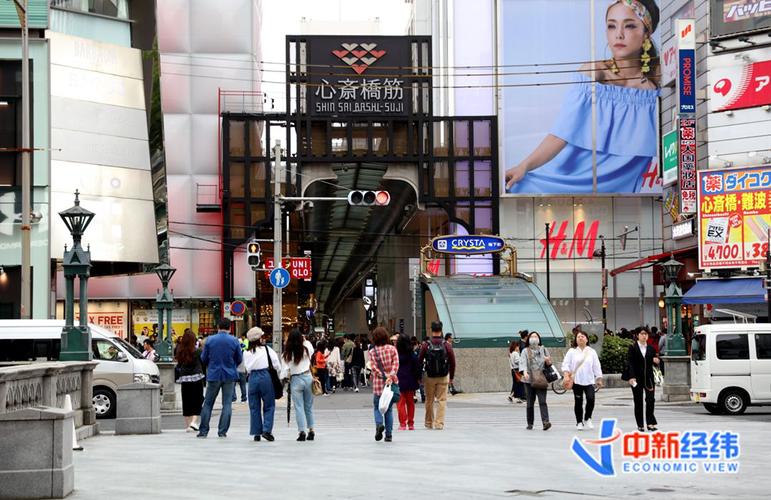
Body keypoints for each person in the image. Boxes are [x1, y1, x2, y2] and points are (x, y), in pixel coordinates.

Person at [505, 0, 660, 194]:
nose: (618, 34)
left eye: (629, 25)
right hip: (571, 177)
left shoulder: (658, 84)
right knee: (522, 190)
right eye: (611, 26)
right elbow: (561, 133)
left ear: (647, 32)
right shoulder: (594, 73)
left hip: (624, 189)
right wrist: (524, 166)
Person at [197, 318, 242, 438]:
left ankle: (203, 431)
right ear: (230, 328)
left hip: (213, 374)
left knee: (208, 403)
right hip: (229, 374)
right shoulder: (234, 340)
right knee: (227, 404)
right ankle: (222, 431)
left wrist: (210, 365)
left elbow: (203, 358)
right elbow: (239, 358)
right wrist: (232, 366)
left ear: (218, 327)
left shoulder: (210, 340)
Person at [243, 327, 281, 442]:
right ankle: (267, 430)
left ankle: (256, 432)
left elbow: (246, 368)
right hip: (265, 376)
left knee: (254, 406)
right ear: (259, 338)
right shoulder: (267, 350)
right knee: (269, 405)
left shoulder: (246, 352)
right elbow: (277, 365)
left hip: (252, 378)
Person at [561, 331, 603, 430]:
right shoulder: (572, 351)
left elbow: (596, 366)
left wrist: (599, 378)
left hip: (589, 381)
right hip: (576, 381)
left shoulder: (592, 351)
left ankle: (588, 418)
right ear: (576, 339)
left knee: (591, 399)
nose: (580, 338)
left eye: (582, 336)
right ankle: (579, 422)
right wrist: (566, 375)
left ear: (587, 339)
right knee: (578, 401)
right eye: (578, 337)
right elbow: (566, 364)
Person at [418, 321, 456, 430]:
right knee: (442, 400)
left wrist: (419, 377)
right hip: (443, 376)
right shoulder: (446, 345)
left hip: (429, 376)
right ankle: (439, 423)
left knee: (429, 400)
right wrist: (451, 376)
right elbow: (453, 362)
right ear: (441, 329)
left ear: (431, 329)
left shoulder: (426, 345)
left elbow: (419, 361)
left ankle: (429, 422)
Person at [281, 328, 316, 441]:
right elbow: (311, 349)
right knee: (309, 406)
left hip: (295, 379)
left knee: (299, 407)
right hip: (308, 377)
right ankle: (311, 430)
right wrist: (304, 340)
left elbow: (284, 372)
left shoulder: (286, 354)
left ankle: (302, 432)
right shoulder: (306, 349)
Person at [623, 328, 660, 432]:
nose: (644, 336)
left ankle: (650, 422)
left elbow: (655, 361)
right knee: (638, 401)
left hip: (648, 378)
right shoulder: (633, 347)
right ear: (637, 335)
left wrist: (656, 361)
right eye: (642, 334)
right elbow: (630, 362)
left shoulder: (651, 348)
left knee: (650, 400)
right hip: (636, 378)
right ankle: (640, 424)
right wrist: (631, 376)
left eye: (646, 334)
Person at [369, 326, 399, 442]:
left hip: (378, 385)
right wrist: (390, 376)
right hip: (390, 385)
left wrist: (383, 375)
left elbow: (373, 368)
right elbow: (396, 365)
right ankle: (389, 435)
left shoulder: (372, 351)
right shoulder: (392, 349)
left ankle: (379, 424)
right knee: (389, 409)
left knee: (377, 407)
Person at [520, 331, 552, 431]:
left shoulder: (544, 349)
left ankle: (545, 422)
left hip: (541, 378)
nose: (534, 338)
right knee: (530, 402)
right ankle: (530, 423)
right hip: (529, 379)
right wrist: (525, 372)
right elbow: (523, 362)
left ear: (539, 339)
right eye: (532, 336)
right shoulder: (525, 350)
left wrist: (548, 360)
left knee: (542, 401)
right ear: (529, 339)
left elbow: (549, 363)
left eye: (536, 336)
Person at [175, 330, 205, 432]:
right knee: (198, 400)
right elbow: (204, 362)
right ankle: (194, 421)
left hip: (184, 378)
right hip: (197, 377)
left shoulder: (179, 351)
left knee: (186, 401)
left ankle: (188, 425)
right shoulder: (198, 351)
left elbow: (178, 365)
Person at [396, 334, 420, 430]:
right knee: (410, 403)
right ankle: (411, 423)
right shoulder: (412, 354)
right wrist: (418, 378)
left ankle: (402, 423)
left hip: (399, 381)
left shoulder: (396, 354)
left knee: (400, 403)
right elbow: (417, 367)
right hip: (411, 381)